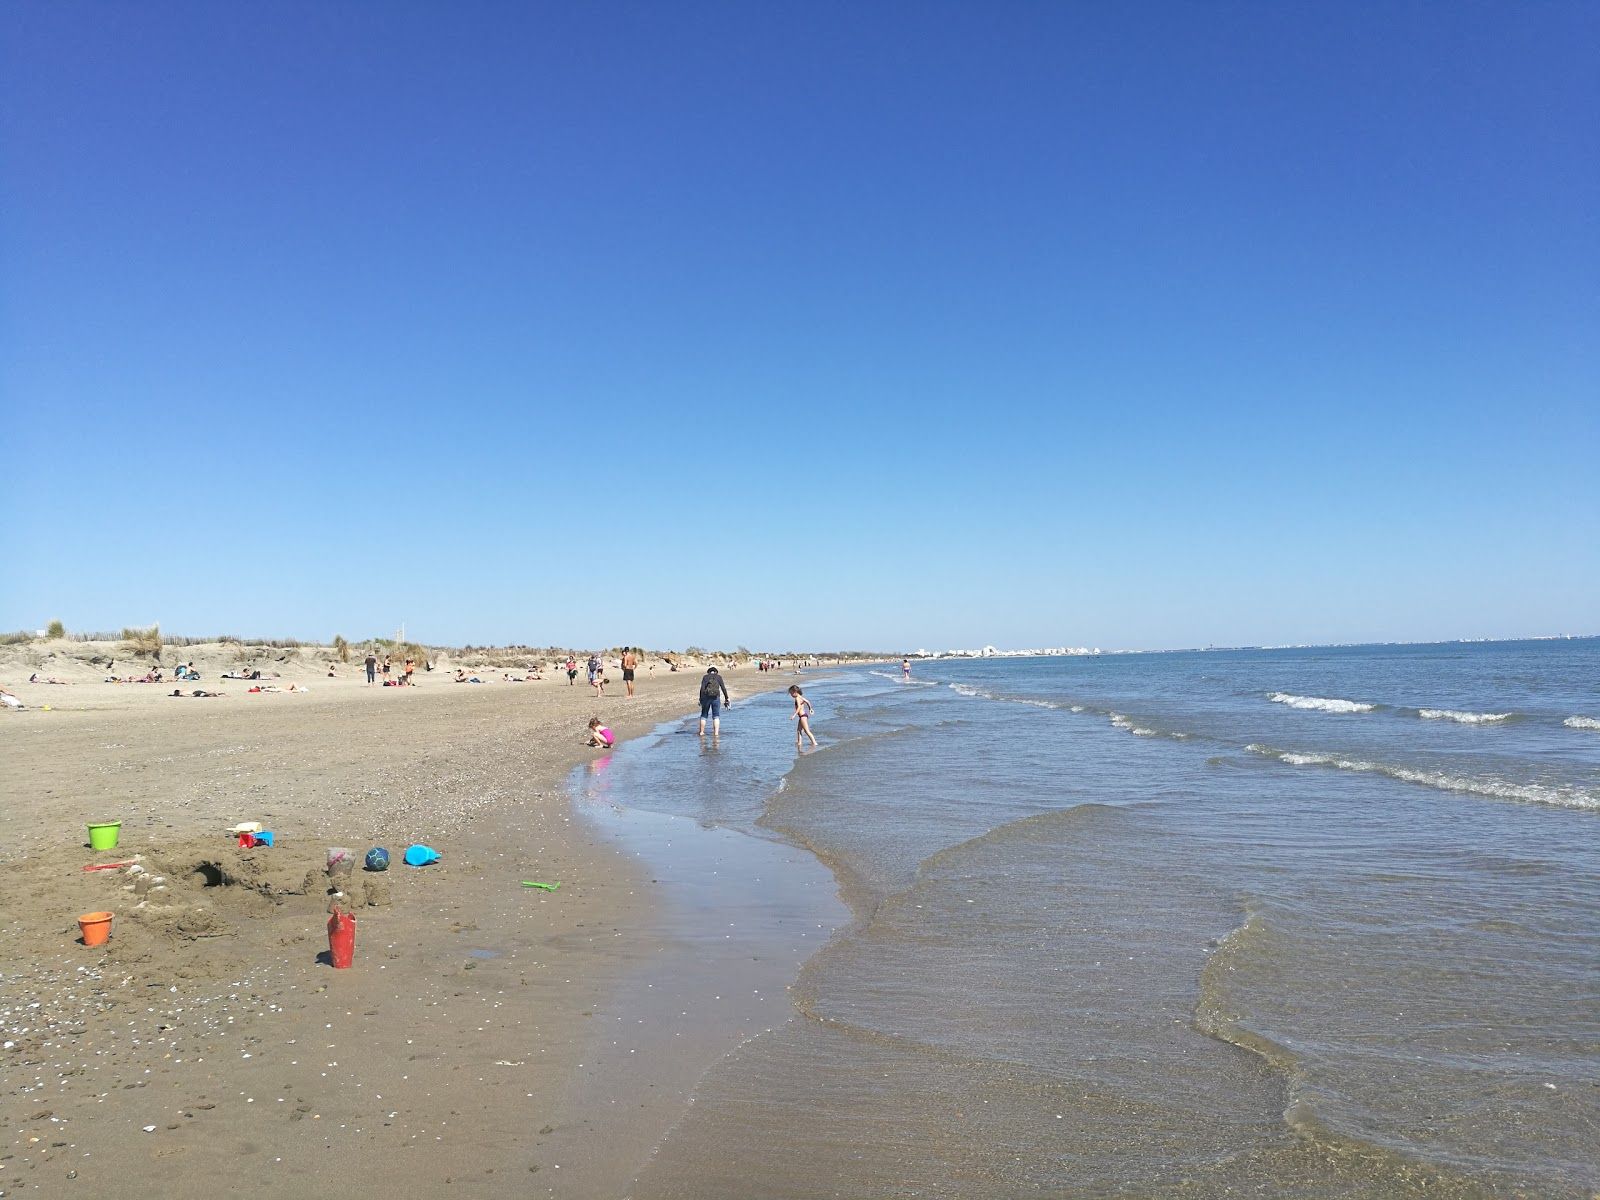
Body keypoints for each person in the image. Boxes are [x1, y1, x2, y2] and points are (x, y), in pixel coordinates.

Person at [697, 666, 730, 737]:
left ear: (708, 672)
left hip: (706, 698)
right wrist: (726, 698)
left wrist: (700, 698)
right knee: (716, 716)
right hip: (716, 698)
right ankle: (716, 733)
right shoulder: (719, 677)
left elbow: (702, 689)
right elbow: (723, 688)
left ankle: (701, 732)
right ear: (716, 672)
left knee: (704, 715)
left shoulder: (705, 677)